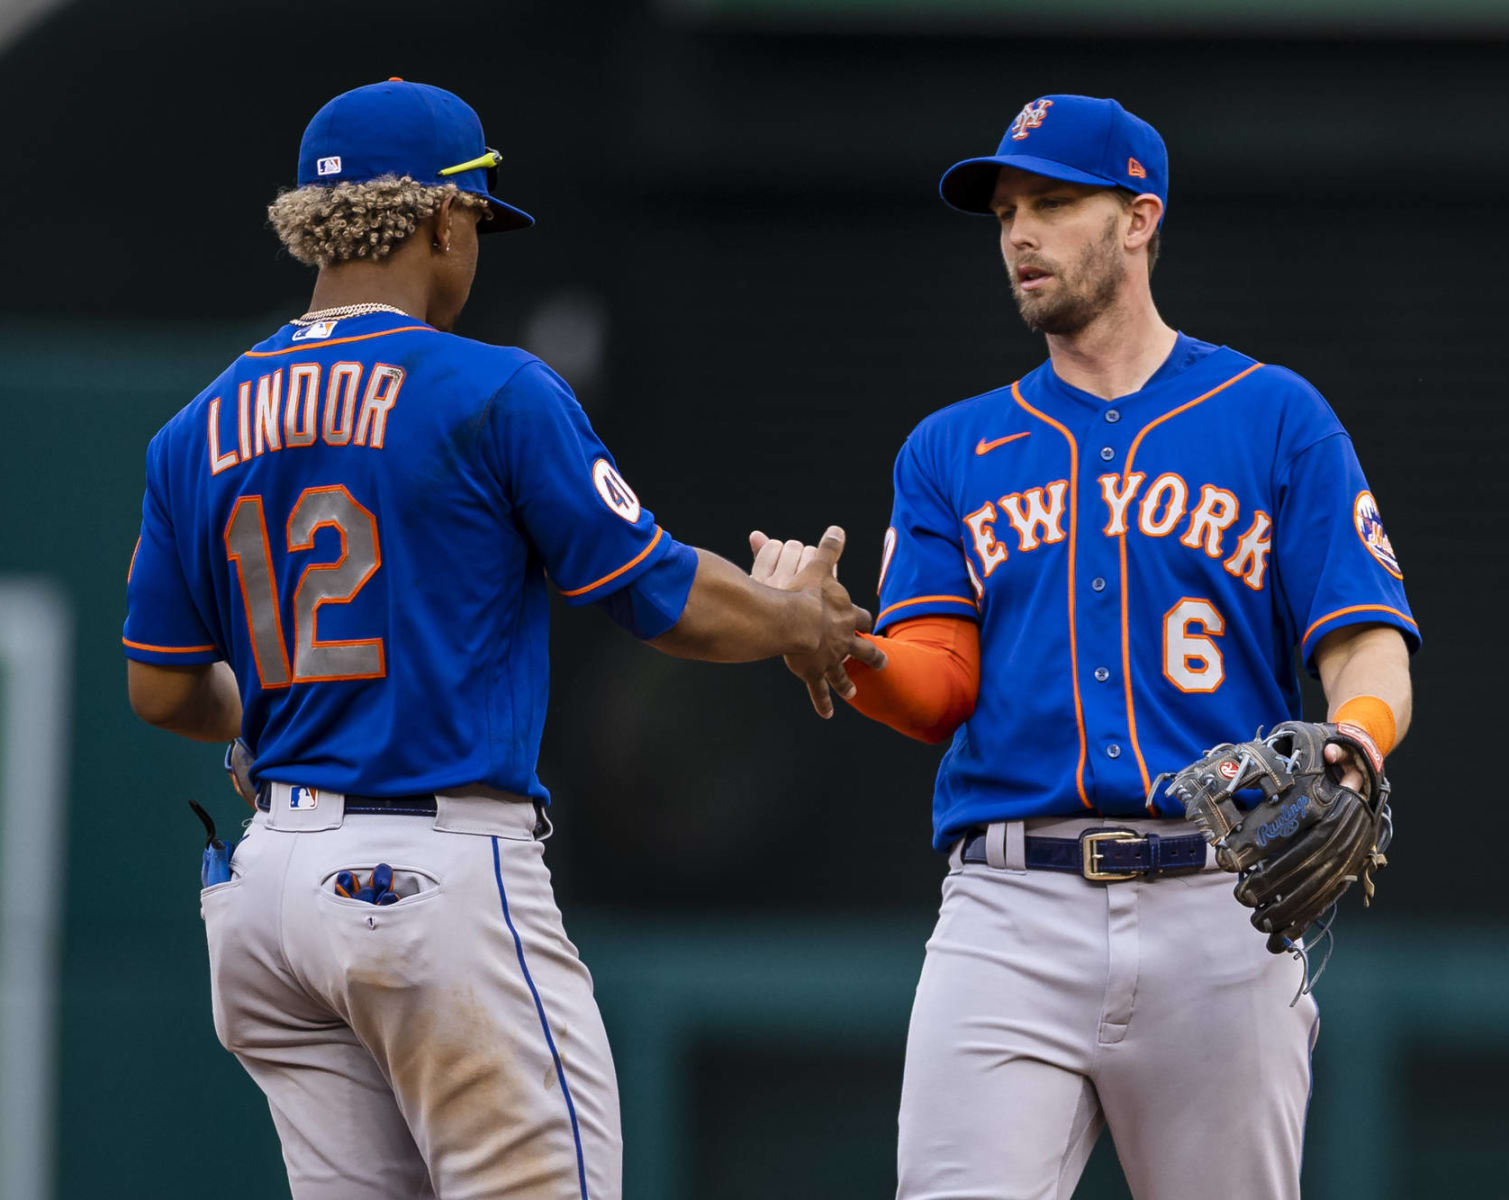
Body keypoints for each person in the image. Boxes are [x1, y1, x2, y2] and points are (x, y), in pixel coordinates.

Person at [122, 78, 881, 1200]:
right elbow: (654, 591)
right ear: (437, 217)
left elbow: (164, 692)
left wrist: (280, 720)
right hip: (430, 881)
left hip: (271, 893)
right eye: (473, 219)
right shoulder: (488, 389)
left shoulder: (196, 427)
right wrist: (794, 617)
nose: (473, 244)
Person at [751, 93, 1417, 1199]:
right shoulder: (952, 448)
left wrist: (1356, 742)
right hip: (1010, 912)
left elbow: (1366, 641)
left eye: (1054, 203)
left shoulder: (1274, 415)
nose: (1019, 234)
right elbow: (933, 690)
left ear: (1139, 217)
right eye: (1006, 210)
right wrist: (836, 649)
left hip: (1223, 900)